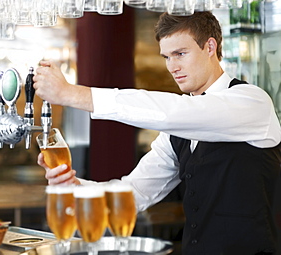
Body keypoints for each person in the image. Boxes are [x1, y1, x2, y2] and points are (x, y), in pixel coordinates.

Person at [33, 11, 281, 255]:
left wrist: (72, 94)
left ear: (210, 47)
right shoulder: (177, 133)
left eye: (180, 54)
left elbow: (176, 112)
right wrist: (75, 186)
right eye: (166, 57)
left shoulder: (253, 102)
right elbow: (134, 193)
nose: (172, 67)